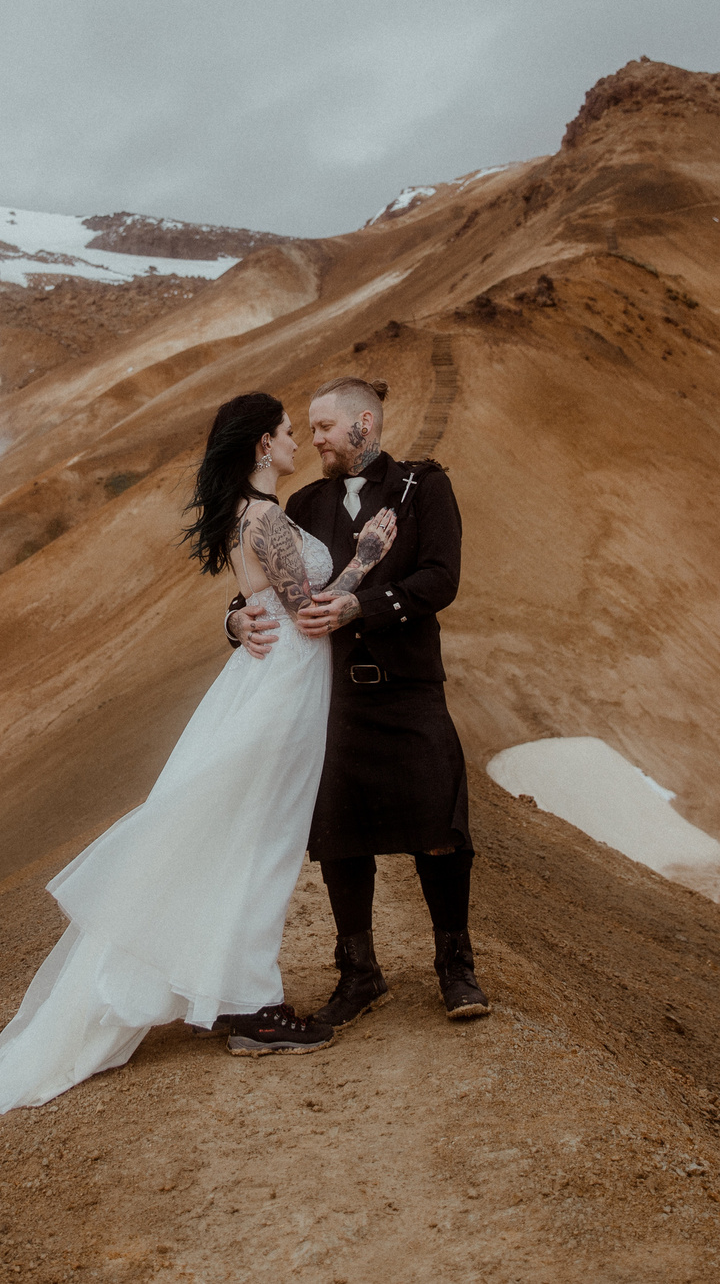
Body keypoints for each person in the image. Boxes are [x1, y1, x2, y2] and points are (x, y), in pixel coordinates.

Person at [0, 392, 400, 1120]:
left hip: (265, 681)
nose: (295, 443)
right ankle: (253, 1007)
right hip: (282, 689)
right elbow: (310, 615)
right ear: (262, 444)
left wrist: (234, 617)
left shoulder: (245, 517)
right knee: (262, 843)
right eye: (288, 432)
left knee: (244, 839)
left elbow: (255, 602)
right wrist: (367, 558)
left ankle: (235, 992)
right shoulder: (267, 519)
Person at [228, 376, 488, 1027]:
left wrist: (361, 606)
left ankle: (455, 965)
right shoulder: (308, 501)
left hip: (409, 688)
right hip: (333, 698)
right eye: (307, 429)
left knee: (440, 825)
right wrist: (233, 622)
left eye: (323, 427)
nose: (313, 438)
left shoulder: (425, 487)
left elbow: (441, 576)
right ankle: (359, 971)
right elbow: (269, 585)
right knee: (339, 836)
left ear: (364, 425)